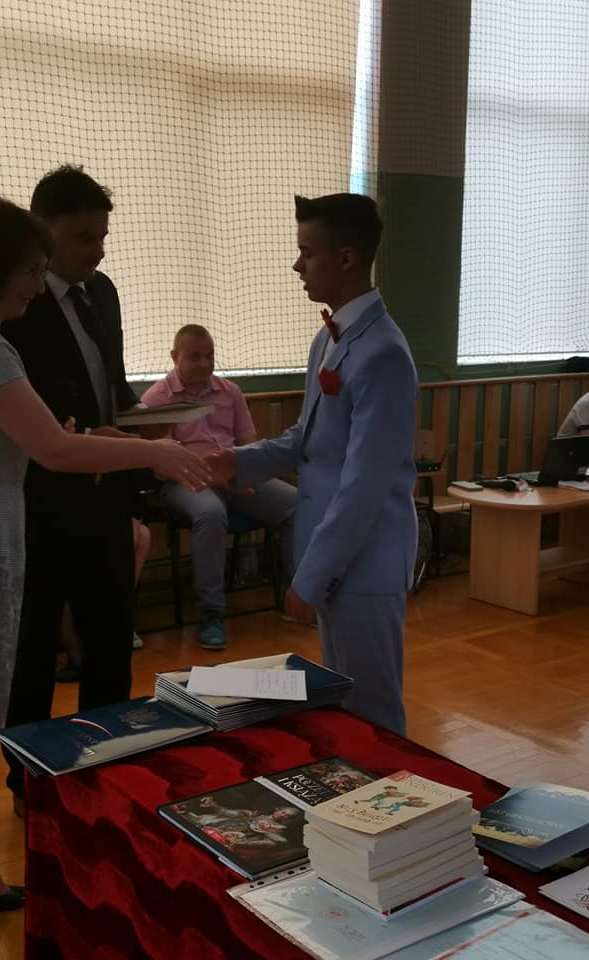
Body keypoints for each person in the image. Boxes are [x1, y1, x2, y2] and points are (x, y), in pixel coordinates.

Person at [0, 196, 209, 948]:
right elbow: (53, 450)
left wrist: (90, 435)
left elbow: (32, 437)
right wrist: (153, 451)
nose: (35, 284)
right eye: (28, 271)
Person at [208, 193, 418, 734]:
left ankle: (392, 792)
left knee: (373, 714)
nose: (297, 265)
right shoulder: (329, 339)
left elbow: (363, 487)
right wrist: (236, 462)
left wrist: (311, 577)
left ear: (346, 258)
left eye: (307, 252)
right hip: (337, 555)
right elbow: (307, 438)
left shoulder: (384, 353)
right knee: (344, 704)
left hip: (365, 560)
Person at [0, 165, 165, 813]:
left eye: (102, 236)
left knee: (110, 645)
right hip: (38, 509)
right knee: (33, 655)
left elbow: (111, 387)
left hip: (106, 500)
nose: (97, 250)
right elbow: (22, 418)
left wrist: (148, 424)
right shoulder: (14, 305)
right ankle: (28, 785)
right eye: (83, 237)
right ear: (42, 234)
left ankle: (104, 768)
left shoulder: (104, 293)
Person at [140, 324, 296, 650]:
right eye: (194, 357)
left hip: (234, 477)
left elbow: (249, 444)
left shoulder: (230, 392)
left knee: (298, 504)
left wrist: (247, 475)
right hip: (182, 482)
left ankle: (296, 596)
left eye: (209, 356)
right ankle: (211, 613)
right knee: (210, 514)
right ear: (174, 357)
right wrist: (222, 478)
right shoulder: (156, 399)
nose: (204, 363)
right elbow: (165, 463)